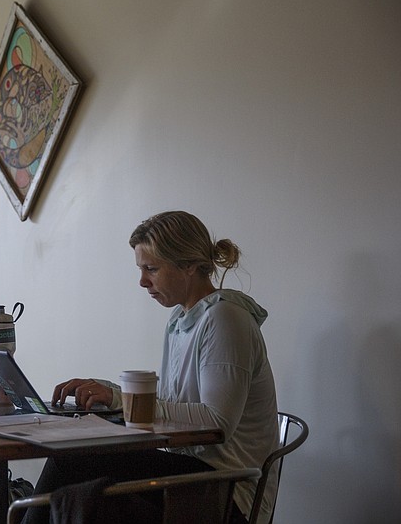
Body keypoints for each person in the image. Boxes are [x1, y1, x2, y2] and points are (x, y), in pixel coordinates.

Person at [23, 211, 279, 524]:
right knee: (77, 471)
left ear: (188, 266)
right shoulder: (181, 322)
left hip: (227, 491)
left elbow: (217, 423)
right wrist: (114, 396)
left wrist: (127, 404)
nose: (143, 281)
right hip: (193, 477)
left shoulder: (226, 319)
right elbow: (173, 409)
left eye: (152, 269)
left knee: (73, 466)